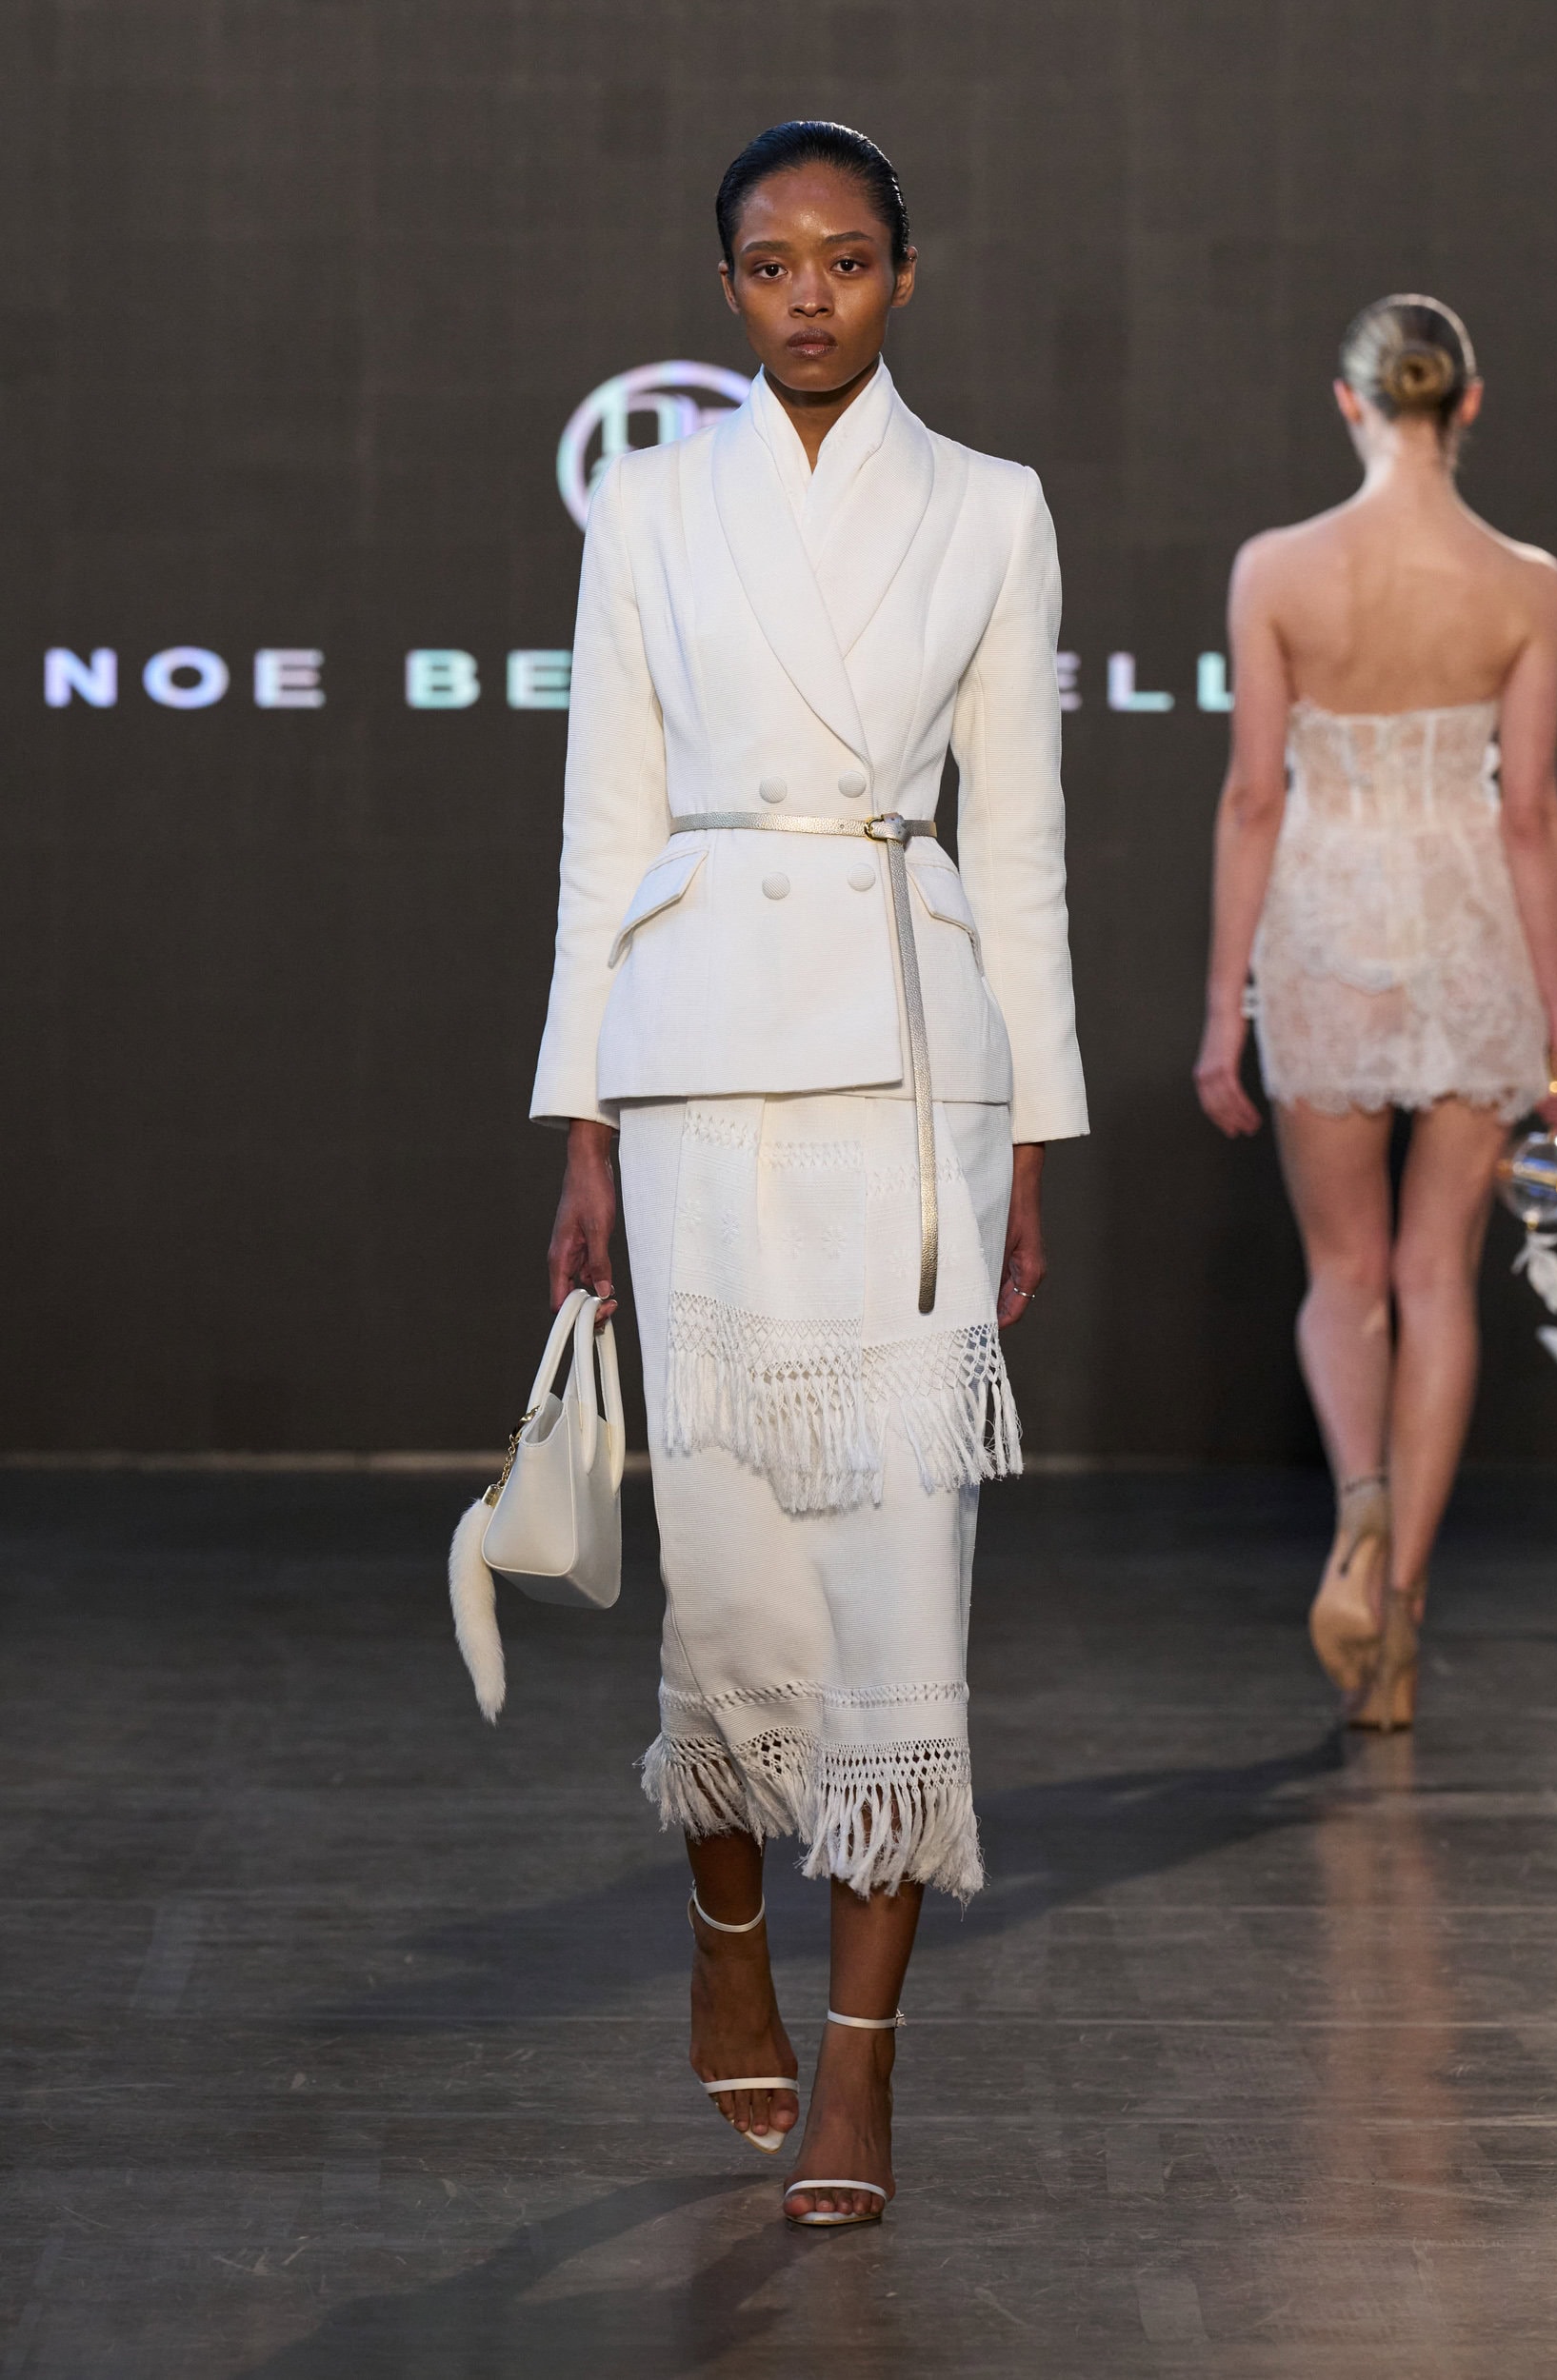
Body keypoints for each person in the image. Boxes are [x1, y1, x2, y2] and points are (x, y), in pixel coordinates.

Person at [530, 121, 1086, 2225]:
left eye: (846, 261)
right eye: (772, 265)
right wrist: (582, 1122)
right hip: (695, 1070)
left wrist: (1033, 1141)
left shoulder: (991, 505)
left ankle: (863, 2064)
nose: (810, 298)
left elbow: (1020, 842)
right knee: (734, 1562)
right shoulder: (655, 504)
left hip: (910, 1062)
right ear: (729, 287)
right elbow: (605, 824)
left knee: (899, 1563)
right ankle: (725, 1927)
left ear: (902, 278)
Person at [1195, 293, 1557, 1731]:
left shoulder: (1278, 568)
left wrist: (1223, 1014)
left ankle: (1358, 1507)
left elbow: (1253, 797)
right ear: (1465, 402)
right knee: (1437, 1278)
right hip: (1471, 928)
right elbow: (1530, 811)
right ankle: (1401, 1614)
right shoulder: (1524, 581)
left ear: (1351, 403)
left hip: (1328, 927)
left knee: (1345, 1274)